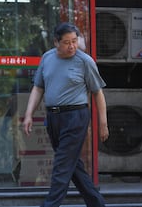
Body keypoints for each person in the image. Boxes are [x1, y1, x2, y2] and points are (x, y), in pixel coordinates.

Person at [23, 22, 109, 207]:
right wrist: (29, 114)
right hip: (53, 118)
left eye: (74, 41)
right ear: (56, 42)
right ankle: (97, 203)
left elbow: (97, 92)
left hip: (76, 117)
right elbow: (38, 88)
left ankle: (50, 205)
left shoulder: (85, 61)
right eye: (67, 42)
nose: (72, 46)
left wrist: (103, 123)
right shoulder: (47, 58)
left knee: (62, 166)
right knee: (72, 165)